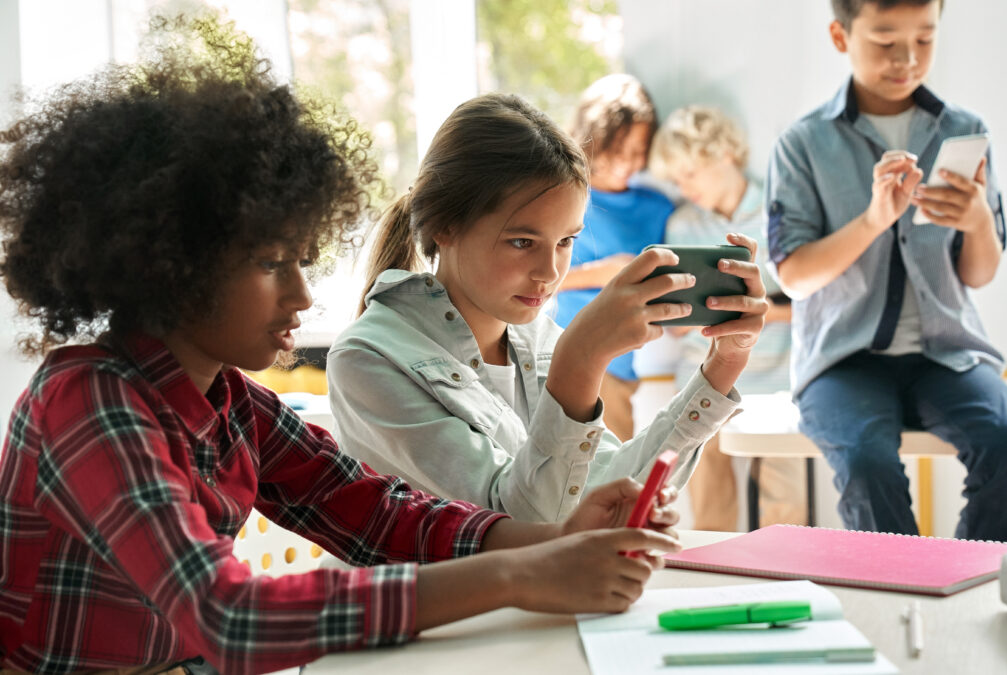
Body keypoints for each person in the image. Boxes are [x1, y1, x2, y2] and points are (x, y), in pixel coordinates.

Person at [0, 16, 685, 673]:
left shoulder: (234, 404)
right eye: (272, 264)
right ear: (173, 263)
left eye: (302, 259)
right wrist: (519, 570)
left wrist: (554, 541)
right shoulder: (86, 400)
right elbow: (230, 617)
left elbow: (379, 513)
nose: (301, 296)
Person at [326, 93, 768, 523]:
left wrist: (724, 364)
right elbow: (524, 529)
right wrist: (581, 359)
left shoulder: (536, 338)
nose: (549, 272)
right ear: (446, 225)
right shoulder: (368, 361)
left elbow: (610, 493)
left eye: (566, 241)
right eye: (522, 241)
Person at [765, 0, 1007, 541]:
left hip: (948, 352)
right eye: (886, 41)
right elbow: (794, 277)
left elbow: (980, 274)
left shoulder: (964, 129)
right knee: (869, 469)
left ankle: (962, 593)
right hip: (842, 360)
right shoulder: (802, 143)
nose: (908, 59)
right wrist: (873, 219)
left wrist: (978, 220)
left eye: (925, 39)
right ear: (840, 36)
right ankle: (901, 601)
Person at [650, 105, 806, 530]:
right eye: (677, 178)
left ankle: (783, 582)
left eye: (691, 173)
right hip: (701, 377)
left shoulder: (782, 213)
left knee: (785, 505)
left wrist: (757, 312)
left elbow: (811, 302)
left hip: (776, 382)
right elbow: (678, 313)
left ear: (725, 156)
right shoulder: (682, 224)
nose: (684, 186)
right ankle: (714, 583)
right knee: (708, 502)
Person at [551, 74, 674, 441]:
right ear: (594, 138)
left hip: (623, 363)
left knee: (611, 476)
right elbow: (536, 278)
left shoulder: (658, 208)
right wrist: (604, 273)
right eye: (619, 150)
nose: (628, 162)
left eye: (639, 151)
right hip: (565, 352)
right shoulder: (564, 196)